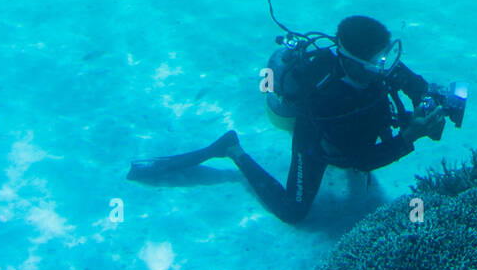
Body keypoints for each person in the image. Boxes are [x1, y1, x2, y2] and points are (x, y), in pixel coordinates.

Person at [128, 14, 445, 224]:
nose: (387, 66)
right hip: (318, 143)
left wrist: (429, 104)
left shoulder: (375, 66)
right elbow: (359, 159)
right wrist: (407, 138)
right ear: (351, 62)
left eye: (388, 55)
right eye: (378, 60)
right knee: (294, 212)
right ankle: (233, 150)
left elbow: (414, 84)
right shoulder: (327, 96)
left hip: (357, 131)